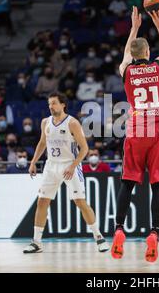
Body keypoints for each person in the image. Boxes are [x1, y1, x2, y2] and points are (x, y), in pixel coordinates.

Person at [111, 7, 159, 263]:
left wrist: (133, 28)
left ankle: (119, 229)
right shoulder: (158, 67)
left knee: (128, 181)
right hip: (158, 130)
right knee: (157, 182)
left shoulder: (126, 69)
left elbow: (127, 55)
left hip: (136, 129)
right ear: (148, 53)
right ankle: (154, 233)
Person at [23, 92, 109, 253]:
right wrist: (33, 162)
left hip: (70, 165)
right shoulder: (45, 122)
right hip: (51, 166)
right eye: (49, 104)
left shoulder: (73, 123)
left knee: (80, 202)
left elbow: (84, 149)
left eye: (54, 103)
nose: (51, 106)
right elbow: (42, 143)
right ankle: (36, 242)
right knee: (42, 201)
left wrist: (73, 166)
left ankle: (99, 237)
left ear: (63, 104)